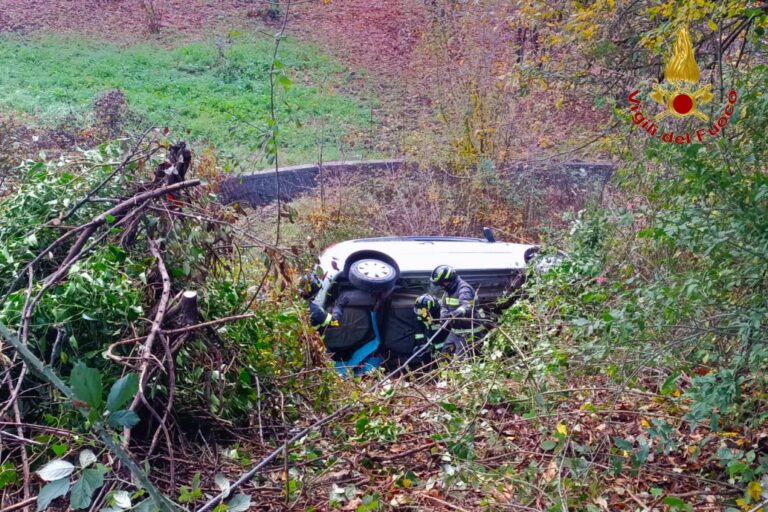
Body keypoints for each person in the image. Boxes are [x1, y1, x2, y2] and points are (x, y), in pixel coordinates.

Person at [430, 265, 483, 356]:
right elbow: (443, 305)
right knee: (443, 356)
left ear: (451, 279)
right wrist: (444, 314)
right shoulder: (448, 290)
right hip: (455, 331)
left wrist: (455, 313)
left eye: (443, 283)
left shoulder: (464, 289)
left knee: (460, 361)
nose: (442, 286)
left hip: (469, 332)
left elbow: (467, 306)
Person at [413, 294, 446, 359]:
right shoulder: (419, 310)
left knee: (442, 357)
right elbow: (418, 329)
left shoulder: (442, 311)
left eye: (423, 311)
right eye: (419, 310)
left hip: (443, 339)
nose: (420, 313)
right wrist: (420, 343)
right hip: (429, 337)